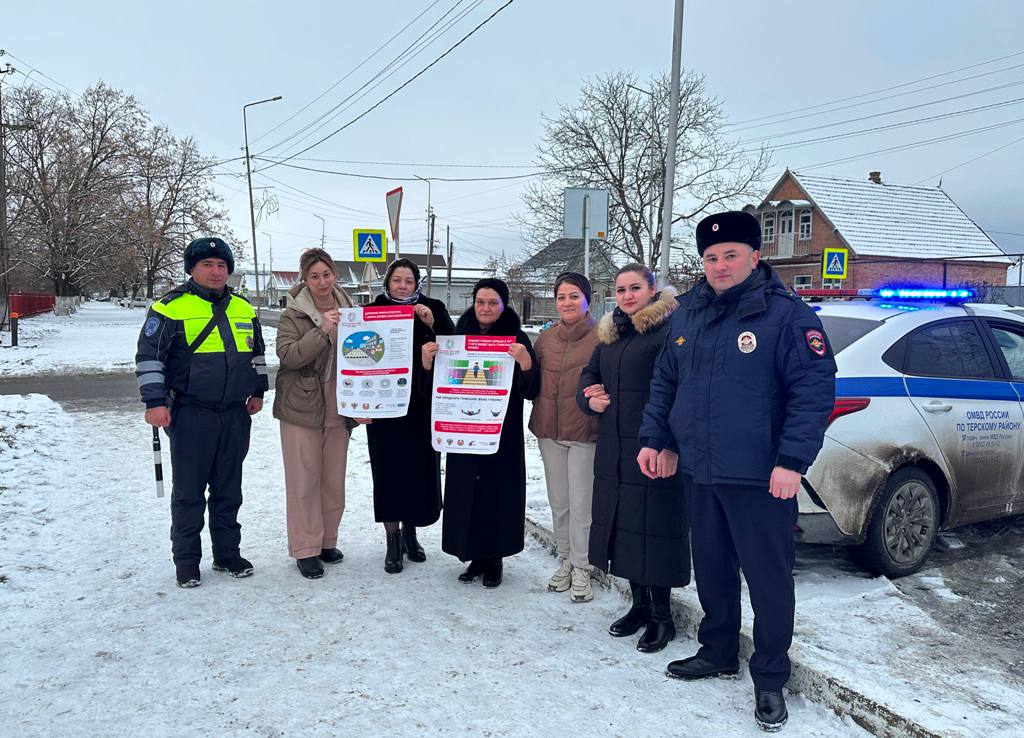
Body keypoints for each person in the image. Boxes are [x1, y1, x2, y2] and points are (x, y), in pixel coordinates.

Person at [637, 211, 836, 732]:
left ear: (755, 256)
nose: (720, 265)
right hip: (700, 470)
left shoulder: (789, 318)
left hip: (761, 476)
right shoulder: (689, 314)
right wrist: (658, 438)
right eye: (710, 257)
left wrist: (792, 461)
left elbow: (812, 395)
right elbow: (666, 382)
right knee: (714, 568)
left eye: (730, 255)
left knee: (768, 580)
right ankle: (719, 649)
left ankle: (769, 676)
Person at [135, 237, 268, 589]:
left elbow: (257, 353)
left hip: (234, 414)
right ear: (191, 269)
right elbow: (150, 358)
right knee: (189, 492)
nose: (215, 271)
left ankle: (227, 554)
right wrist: (155, 402)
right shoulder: (169, 308)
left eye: (221, 265)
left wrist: (257, 390)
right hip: (191, 413)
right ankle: (187, 562)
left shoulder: (244, 308)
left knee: (229, 489)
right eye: (207, 264)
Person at [577, 264, 689, 653]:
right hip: (615, 448)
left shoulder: (671, 330)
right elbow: (588, 376)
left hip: (653, 447)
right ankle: (639, 604)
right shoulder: (610, 334)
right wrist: (589, 397)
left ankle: (663, 615)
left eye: (635, 288)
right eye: (621, 289)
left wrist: (669, 444)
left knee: (654, 530)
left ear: (652, 289)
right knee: (623, 528)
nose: (627, 296)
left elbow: (681, 391)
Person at [421, 278, 540, 588]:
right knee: (467, 495)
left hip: (501, 432)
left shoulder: (516, 339)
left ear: (504, 305)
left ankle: (495, 558)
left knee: (497, 494)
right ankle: (473, 554)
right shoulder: (457, 338)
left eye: (493, 303)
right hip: (464, 431)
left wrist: (526, 364)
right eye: (481, 302)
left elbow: (531, 390)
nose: (486, 308)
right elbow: (435, 388)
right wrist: (428, 362)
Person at [273, 248, 358, 580]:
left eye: (327, 274)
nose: (322, 281)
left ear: (334, 275)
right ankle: (306, 548)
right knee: (303, 480)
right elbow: (289, 356)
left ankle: (327, 540)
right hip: (302, 406)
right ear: (304, 279)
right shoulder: (292, 314)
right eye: (314, 276)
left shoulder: (351, 309)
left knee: (332, 481)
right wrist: (321, 329)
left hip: (341, 404)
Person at [366, 258, 454, 574]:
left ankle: (411, 534)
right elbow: (358, 356)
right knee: (388, 473)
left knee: (418, 472)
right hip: (385, 407)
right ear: (387, 283)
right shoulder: (373, 312)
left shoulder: (433, 308)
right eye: (396, 280)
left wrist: (433, 325)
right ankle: (392, 540)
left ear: (416, 283)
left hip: (422, 406)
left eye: (408, 280)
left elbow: (454, 351)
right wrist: (356, 405)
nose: (402, 286)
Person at [528, 272, 599, 602]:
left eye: (574, 296)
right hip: (549, 431)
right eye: (561, 297)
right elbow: (532, 383)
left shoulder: (602, 337)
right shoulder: (546, 339)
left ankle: (583, 567)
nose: (567, 303)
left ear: (587, 299)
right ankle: (566, 560)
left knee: (581, 504)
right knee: (559, 502)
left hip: (585, 432)